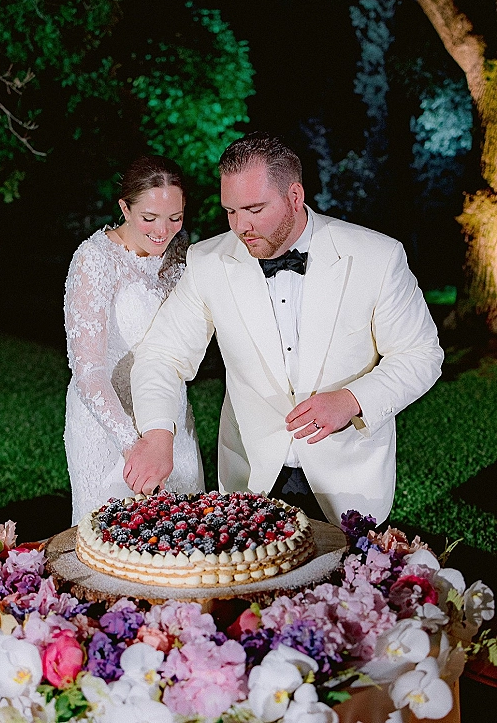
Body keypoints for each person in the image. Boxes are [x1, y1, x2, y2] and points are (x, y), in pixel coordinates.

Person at [128, 132, 443, 526]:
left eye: (255, 208)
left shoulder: (378, 257)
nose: (241, 226)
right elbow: (162, 354)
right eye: (230, 211)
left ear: (294, 196)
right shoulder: (208, 262)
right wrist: (158, 433)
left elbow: (422, 355)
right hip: (252, 478)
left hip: (349, 479)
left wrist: (351, 400)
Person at [63, 154, 204, 525]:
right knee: (108, 544)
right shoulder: (94, 260)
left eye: (175, 218)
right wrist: (134, 445)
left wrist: (161, 438)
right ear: (125, 208)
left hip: (169, 419)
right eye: (149, 218)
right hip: (109, 424)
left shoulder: (181, 256)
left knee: (185, 536)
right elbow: (88, 369)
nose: (163, 230)